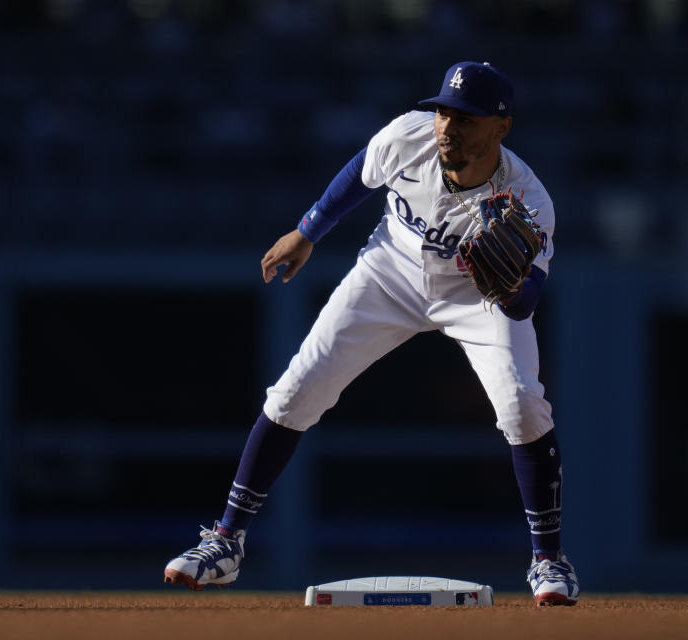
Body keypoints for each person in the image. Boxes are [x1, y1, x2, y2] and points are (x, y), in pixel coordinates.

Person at [163, 61, 580, 606]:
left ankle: (549, 560)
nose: (448, 128)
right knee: (295, 391)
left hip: (476, 298)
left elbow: (527, 304)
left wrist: (508, 288)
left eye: (467, 119)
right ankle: (225, 541)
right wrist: (308, 231)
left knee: (523, 403)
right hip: (390, 273)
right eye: (444, 113)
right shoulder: (411, 134)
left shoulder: (531, 201)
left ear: (501, 128)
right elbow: (362, 170)